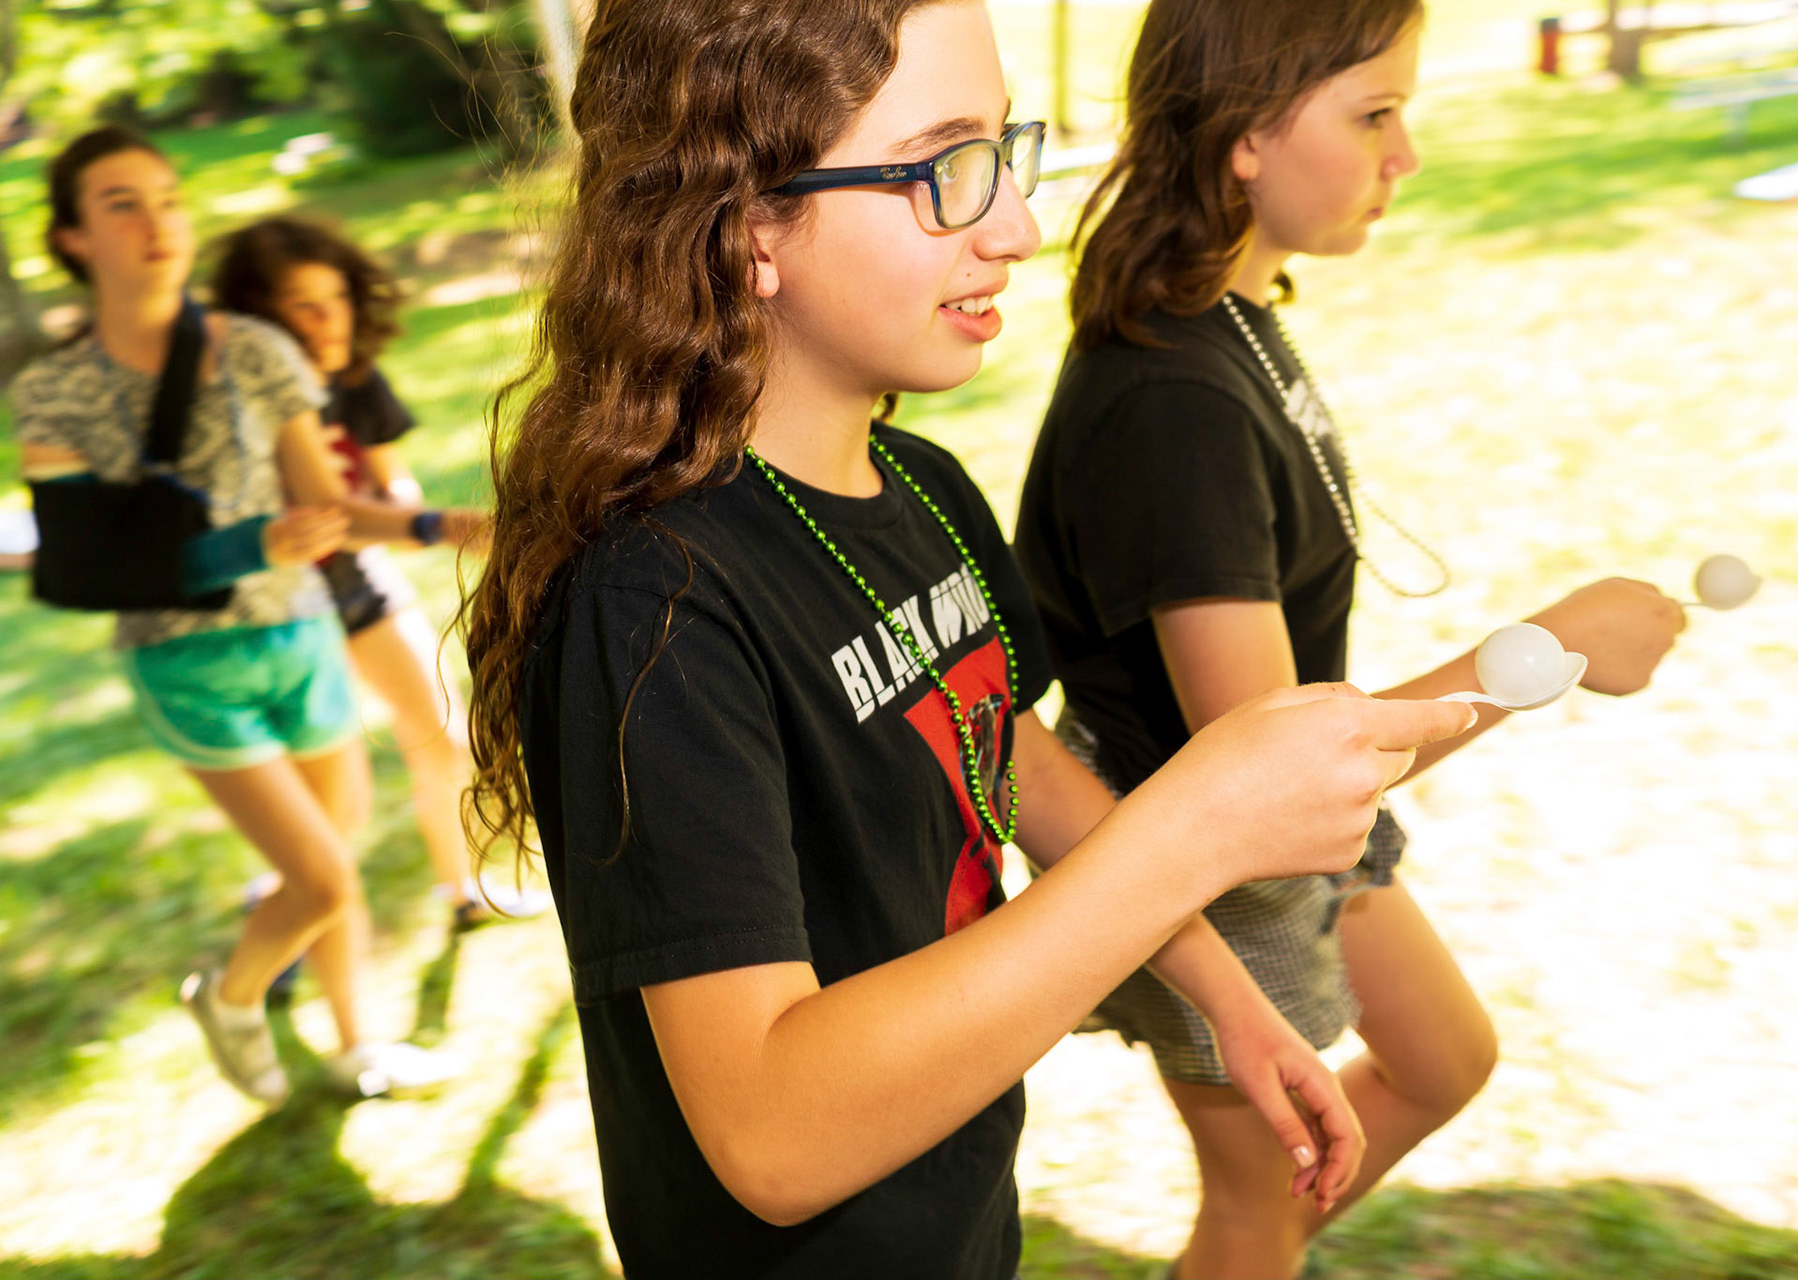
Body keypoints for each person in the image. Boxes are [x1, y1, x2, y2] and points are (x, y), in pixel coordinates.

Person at [458, 0, 1477, 1276]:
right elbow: (771, 1137)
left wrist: (1231, 993)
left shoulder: (924, 486)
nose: (1018, 226)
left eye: (1006, 151)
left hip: (954, 1212)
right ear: (750, 219)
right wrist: (1192, 830)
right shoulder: (655, 603)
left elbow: (1015, 755)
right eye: (947, 171)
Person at [1013, 3, 1689, 1276]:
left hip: (1299, 815)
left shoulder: (1232, 315)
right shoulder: (1169, 403)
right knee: (1259, 1198)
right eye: (1375, 112)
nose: (1406, 153)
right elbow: (1258, 766)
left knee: (1443, 1056)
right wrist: (1543, 650)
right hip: (1198, 856)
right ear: (1248, 135)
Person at [10, 126, 453, 1102]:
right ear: (74, 237)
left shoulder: (254, 348)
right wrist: (247, 546)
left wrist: (450, 521)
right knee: (323, 879)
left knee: (334, 861)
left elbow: (325, 510)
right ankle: (230, 991)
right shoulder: (54, 392)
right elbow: (90, 565)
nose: (157, 219)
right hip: (187, 664)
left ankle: (358, 1044)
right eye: (121, 202)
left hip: (303, 637)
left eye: (167, 197)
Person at [210, 216, 543, 931]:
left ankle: (460, 893)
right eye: (303, 304)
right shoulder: (237, 400)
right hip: (282, 607)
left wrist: (420, 518)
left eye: (337, 298)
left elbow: (392, 485)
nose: (329, 320)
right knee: (322, 804)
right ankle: (285, 921)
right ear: (258, 316)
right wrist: (424, 526)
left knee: (442, 737)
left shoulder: (358, 380)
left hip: (360, 586)